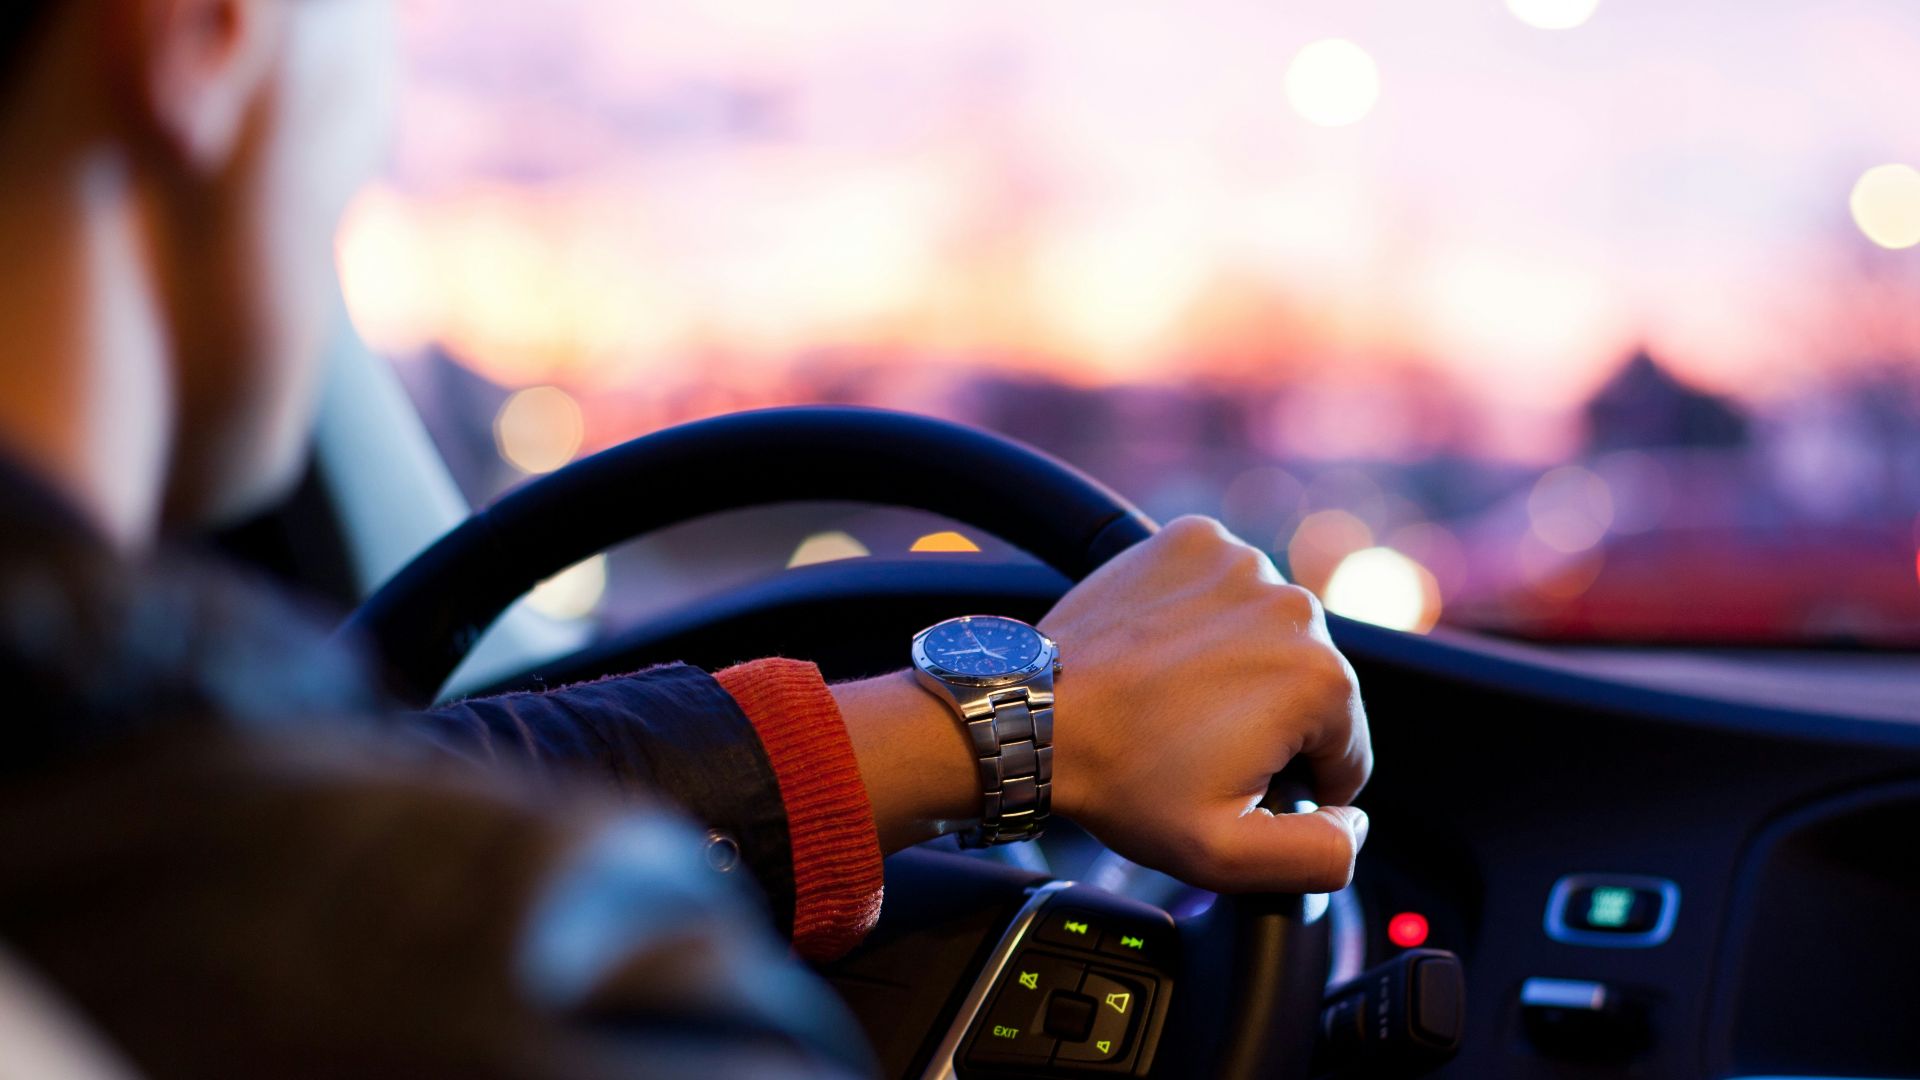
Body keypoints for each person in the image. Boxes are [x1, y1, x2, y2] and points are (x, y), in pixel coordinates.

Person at [0, 1, 1373, 1077]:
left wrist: (982, 733)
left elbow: (346, 791)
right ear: (204, 30)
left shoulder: (109, 809)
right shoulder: (520, 1004)